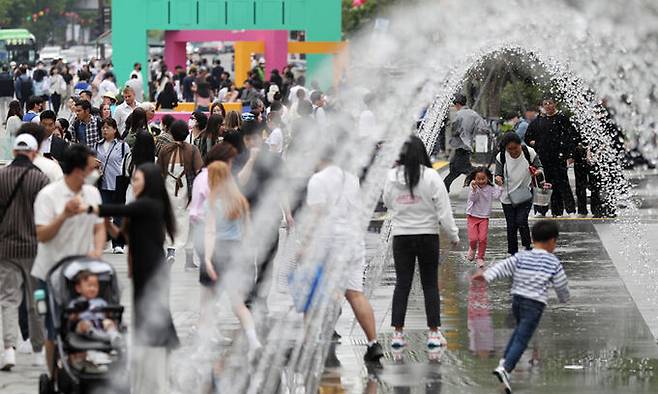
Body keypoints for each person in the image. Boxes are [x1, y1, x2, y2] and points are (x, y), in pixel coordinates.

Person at [84, 163, 179, 393]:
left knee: (153, 323)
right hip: (142, 273)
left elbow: (119, 209)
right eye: (133, 179)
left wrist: (88, 208)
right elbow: (124, 239)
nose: (133, 183)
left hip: (152, 275)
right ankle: (149, 377)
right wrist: (105, 224)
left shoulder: (149, 205)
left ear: (150, 183)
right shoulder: (143, 207)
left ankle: (159, 379)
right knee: (146, 322)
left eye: (137, 180)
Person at [304, 140, 384, 363]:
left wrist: (305, 246)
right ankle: (373, 343)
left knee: (317, 292)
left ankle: (312, 345)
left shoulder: (317, 181)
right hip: (353, 242)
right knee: (355, 294)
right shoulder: (351, 179)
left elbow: (315, 216)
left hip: (328, 242)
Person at [32, 144, 106, 377]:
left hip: (81, 273)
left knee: (83, 321)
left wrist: (97, 250)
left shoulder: (92, 193)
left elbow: (99, 226)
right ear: (78, 170)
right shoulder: (48, 195)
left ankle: (79, 368)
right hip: (49, 272)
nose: (94, 170)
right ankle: (53, 375)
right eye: (90, 166)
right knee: (54, 329)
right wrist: (64, 214)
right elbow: (42, 234)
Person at [473, 221, 570, 394]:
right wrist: (564, 298)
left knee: (518, 333)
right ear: (551, 241)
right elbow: (561, 284)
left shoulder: (522, 256)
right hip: (534, 305)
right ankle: (506, 369)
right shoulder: (552, 261)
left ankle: (504, 362)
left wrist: (486, 276)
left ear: (533, 239)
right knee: (522, 339)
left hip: (517, 301)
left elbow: (503, 266)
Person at [382, 135, 459, 349]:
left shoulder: (392, 177)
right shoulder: (432, 177)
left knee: (402, 283)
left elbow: (387, 201)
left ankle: (397, 334)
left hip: (402, 236)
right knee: (430, 284)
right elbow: (444, 211)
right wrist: (453, 236)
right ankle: (434, 334)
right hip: (427, 236)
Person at [198, 161, 262, 352]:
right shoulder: (240, 201)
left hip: (218, 251)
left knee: (207, 305)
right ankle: (254, 341)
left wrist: (208, 259)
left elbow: (210, 233)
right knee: (238, 303)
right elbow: (249, 233)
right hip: (236, 252)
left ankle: (201, 348)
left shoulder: (212, 203)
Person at [0, 133, 50, 371]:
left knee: (8, 299)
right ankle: (39, 351)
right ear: (34, 152)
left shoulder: (1, 176)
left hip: (6, 248)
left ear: (13, 152)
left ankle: (8, 350)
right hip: (34, 248)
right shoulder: (40, 179)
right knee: (35, 300)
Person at [158, 120, 203, 267]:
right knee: (187, 224)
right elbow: (198, 172)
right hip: (186, 191)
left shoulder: (165, 149)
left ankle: (170, 250)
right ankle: (188, 261)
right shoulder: (192, 150)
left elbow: (159, 171)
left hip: (168, 190)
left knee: (169, 221)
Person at [524, 98, 577, 217]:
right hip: (543, 158)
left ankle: (568, 210)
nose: (548, 106)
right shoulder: (539, 121)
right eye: (545, 104)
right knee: (542, 184)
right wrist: (535, 143)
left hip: (558, 158)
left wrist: (570, 154)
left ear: (555, 104)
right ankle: (541, 210)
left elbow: (571, 137)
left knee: (562, 184)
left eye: (550, 103)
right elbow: (528, 137)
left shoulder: (562, 119)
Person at [494, 133, 543, 256]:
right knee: (511, 225)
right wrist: (498, 179)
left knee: (521, 220)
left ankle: (527, 246)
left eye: (515, 148)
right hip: (507, 196)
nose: (513, 151)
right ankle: (513, 252)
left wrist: (536, 172)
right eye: (509, 149)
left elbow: (539, 167)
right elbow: (497, 174)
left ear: (520, 145)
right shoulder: (501, 157)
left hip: (524, 193)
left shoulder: (529, 152)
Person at [95, 118, 129, 253]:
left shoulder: (122, 146)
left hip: (118, 184)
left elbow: (127, 164)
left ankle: (118, 244)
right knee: (103, 214)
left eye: (108, 127)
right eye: (103, 127)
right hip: (103, 184)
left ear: (115, 130)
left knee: (118, 216)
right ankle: (105, 239)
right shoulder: (97, 145)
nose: (105, 130)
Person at [444, 93, 489, 192]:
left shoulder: (458, 114)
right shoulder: (473, 114)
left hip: (460, 145)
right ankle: (445, 187)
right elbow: (483, 127)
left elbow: (455, 130)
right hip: (466, 145)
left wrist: (450, 127)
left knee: (465, 168)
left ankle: (485, 175)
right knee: (454, 168)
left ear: (457, 104)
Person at [67, 271, 121, 346]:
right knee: (84, 324)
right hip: (83, 325)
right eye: (89, 286)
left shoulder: (101, 301)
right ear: (79, 288)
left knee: (108, 322)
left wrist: (110, 313)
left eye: (95, 286)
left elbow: (108, 314)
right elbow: (71, 318)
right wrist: (77, 312)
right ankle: (106, 338)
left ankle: (114, 335)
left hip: (99, 323)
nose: (93, 289)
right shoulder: (75, 302)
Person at [463, 166, 502, 267]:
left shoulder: (490, 188)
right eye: (478, 179)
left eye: (483, 179)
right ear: (474, 179)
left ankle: (480, 257)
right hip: (472, 216)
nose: (481, 181)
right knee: (473, 239)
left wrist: (499, 186)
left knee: (483, 238)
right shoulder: (473, 186)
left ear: (488, 178)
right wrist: (474, 190)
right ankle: (472, 248)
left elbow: (497, 196)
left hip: (484, 217)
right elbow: (473, 199)